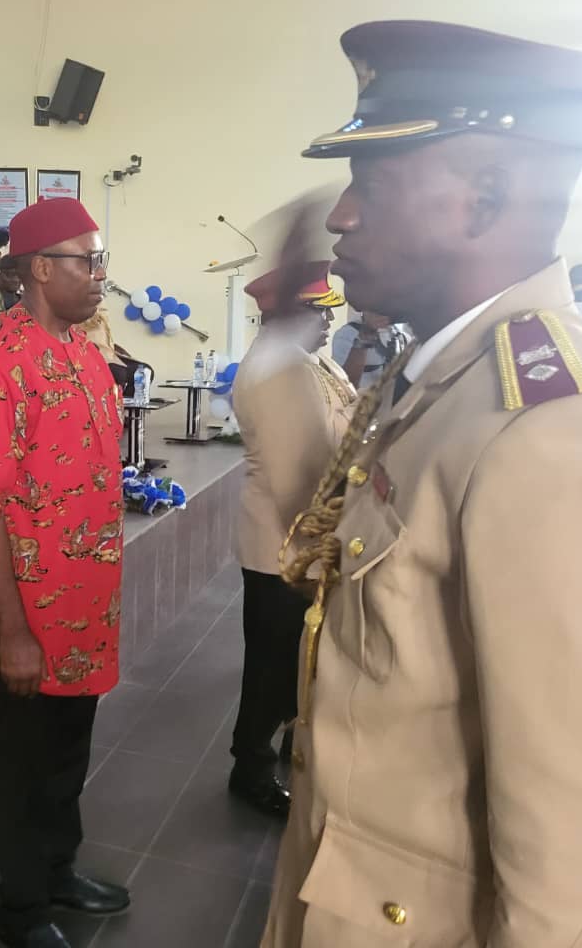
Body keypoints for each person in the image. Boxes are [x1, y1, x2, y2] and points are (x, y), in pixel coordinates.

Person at [261, 21, 582, 948]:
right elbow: (320, 537)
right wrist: (282, 341)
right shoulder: (441, 376)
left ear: (485, 196)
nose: (341, 217)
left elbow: (569, 839)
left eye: (371, 183)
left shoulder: (543, 428)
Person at [0, 197, 130, 948]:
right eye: (89, 261)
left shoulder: (85, 351)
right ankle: (21, 908)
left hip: (85, 599)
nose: (101, 275)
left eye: (102, 260)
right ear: (42, 269)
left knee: (69, 745)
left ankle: (57, 869)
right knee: (23, 757)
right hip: (26, 608)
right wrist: (13, 631)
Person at [227, 259, 354, 817]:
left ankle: (284, 742)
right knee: (271, 662)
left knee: (295, 652)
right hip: (279, 543)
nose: (328, 322)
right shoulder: (274, 370)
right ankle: (250, 769)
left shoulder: (310, 361)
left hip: (306, 537)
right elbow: (314, 455)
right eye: (316, 312)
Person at [78, 302, 151, 397]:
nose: (104, 312)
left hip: (112, 356)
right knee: (119, 373)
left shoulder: (102, 320)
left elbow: (109, 344)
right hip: (95, 360)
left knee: (144, 370)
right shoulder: (78, 319)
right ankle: (117, 402)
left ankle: (131, 403)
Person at [330, 309, 411, 387]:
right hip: (360, 395)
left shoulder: (401, 336)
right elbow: (343, 383)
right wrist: (364, 338)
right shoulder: (347, 334)